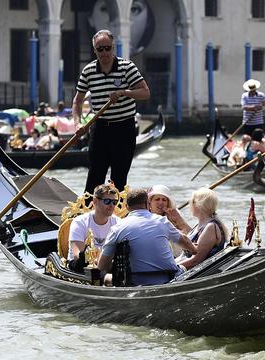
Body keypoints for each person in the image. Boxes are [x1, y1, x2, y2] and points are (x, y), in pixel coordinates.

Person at [72, 29, 150, 195]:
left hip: (124, 128)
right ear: (95, 50)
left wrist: (124, 92)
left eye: (107, 48)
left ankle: (117, 215)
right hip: (100, 128)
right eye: (100, 49)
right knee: (95, 176)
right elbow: (77, 101)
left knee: (119, 178)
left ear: (113, 47)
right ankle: (88, 213)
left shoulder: (127, 67)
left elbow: (145, 92)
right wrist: (78, 123)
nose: (104, 52)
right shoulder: (88, 71)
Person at [97, 189, 196, 286]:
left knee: (106, 277)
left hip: (134, 282)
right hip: (168, 278)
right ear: (148, 204)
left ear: (126, 207)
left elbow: (102, 266)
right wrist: (194, 250)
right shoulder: (162, 221)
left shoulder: (116, 228)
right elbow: (186, 242)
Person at [67, 184, 120, 271]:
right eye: (107, 201)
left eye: (114, 202)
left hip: (107, 267)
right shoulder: (79, 222)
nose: (112, 205)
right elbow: (78, 255)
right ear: (95, 201)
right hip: (80, 268)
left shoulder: (118, 223)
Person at [176, 188, 229, 270]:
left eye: (191, 202)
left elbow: (196, 260)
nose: (190, 205)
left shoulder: (211, 227)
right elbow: (183, 256)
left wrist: (171, 268)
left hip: (197, 274)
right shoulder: (199, 225)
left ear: (197, 204)